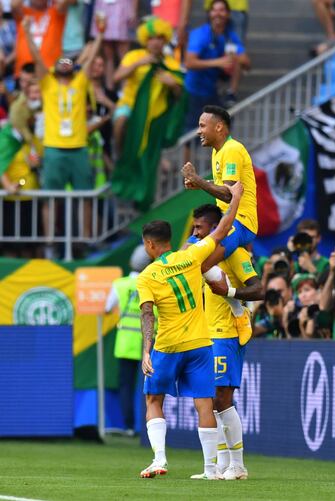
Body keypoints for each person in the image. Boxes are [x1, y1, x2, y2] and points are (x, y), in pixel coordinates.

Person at [137, 181, 243, 480]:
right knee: (204, 404)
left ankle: (159, 459)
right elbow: (222, 230)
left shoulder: (147, 276)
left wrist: (147, 351)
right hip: (200, 343)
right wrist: (234, 198)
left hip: (168, 346)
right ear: (170, 240)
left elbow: (147, 314)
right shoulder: (191, 256)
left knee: (154, 400)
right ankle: (211, 469)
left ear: (150, 244)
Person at [188, 203, 263, 480]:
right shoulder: (201, 252)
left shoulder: (234, 252)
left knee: (222, 398)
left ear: (215, 227)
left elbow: (259, 289)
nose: (195, 232)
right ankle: (220, 464)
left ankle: (238, 465)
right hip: (207, 334)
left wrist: (230, 290)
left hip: (227, 333)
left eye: (199, 227)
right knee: (212, 400)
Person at [23, 13, 105, 255]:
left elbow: (89, 62)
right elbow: (37, 57)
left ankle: (87, 238)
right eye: (60, 61)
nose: (64, 63)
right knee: (51, 197)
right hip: (54, 148)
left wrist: (100, 33)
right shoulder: (47, 84)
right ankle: (49, 242)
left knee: (85, 196)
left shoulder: (80, 82)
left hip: (79, 147)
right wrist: (28, 32)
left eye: (68, 61)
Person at [111, 16, 187, 210]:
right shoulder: (134, 56)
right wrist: (139, 64)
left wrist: (173, 85)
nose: (156, 42)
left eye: (160, 38)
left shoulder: (171, 64)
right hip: (130, 106)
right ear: (145, 39)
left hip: (154, 117)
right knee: (120, 121)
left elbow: (180, 96)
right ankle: (121, 155)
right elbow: (116, 77)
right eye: (152, 37)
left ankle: (145, 199)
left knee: (150, 159)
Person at [181, 105, 257, 271]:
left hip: (241, 222)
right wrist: (202, 182)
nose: (197, 132)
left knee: (198, 267)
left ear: (218, 126)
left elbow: (229, 195)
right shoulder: (218, 151)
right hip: (223, 220)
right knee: (183, 255)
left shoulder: (232, 149)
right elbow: (225, 184)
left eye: (202, 126)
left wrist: (197, 179)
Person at [105, 244, 151, 436]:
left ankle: (130, 426)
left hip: (125, 343)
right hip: (148, 343)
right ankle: (148, 425)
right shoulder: (150, 282)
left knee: (126, 385)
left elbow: (107, 308)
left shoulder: (120, 284)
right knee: (149, 387)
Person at [184, 0, 249, 128]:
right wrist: (218, 62)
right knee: (191, 135)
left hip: (212, 90)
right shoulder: (200, 34)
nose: (218, 14)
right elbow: (189, 62)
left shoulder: (230, 36)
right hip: (194, 91)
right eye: (214, 10)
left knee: (221, 125)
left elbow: (247, 63)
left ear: (228, 14)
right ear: (209, 13)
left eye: (222, 10)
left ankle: (231, 93)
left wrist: (234, 57)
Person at [11, 0, 68, 78]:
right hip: (24, 75)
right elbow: (14, 4)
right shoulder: (24, 12)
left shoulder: (55, 11)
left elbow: (63, 2)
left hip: (50, 73)